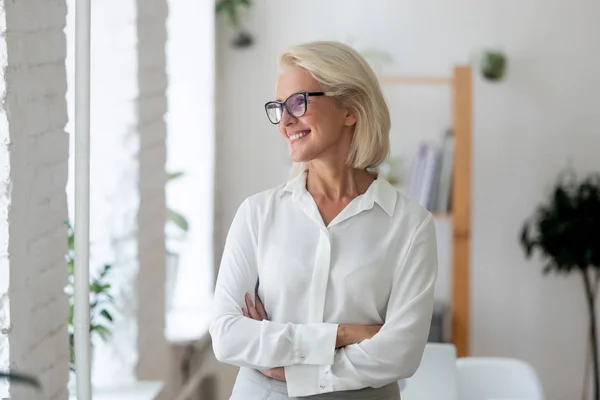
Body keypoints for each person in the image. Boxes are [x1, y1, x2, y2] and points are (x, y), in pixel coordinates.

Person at [209, 40, 438, 399]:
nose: (285, 121)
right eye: (278, 107)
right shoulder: (257, 213)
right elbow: (227, 335)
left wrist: (286, 366)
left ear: (350, 108)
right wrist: (341, 335)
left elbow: (399, 354)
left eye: (298, 102)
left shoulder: (409, 225)